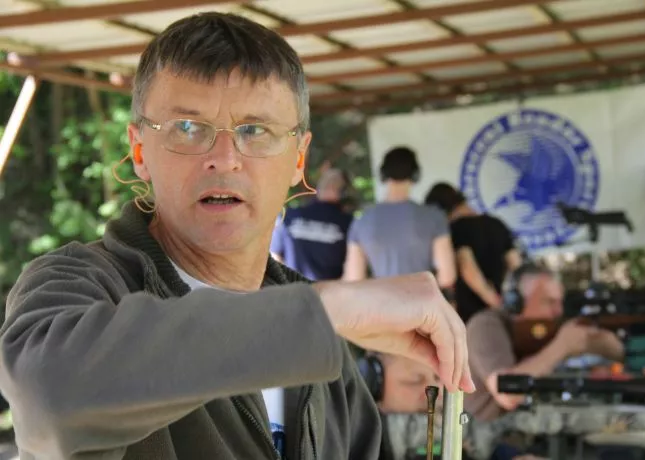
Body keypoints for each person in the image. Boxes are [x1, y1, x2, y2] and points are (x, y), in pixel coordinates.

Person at [0, 13, 474, 460]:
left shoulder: (324, 350)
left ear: (299, 160)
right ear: (140, 150)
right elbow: (50, 399)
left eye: (256, 130)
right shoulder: (78, 283)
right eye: (188, 128)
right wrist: (328, 311)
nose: (225, 158)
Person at [464, 264, 624, 422]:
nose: (558, 311)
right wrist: (563, 346)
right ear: (517, 303)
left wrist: (605, 343)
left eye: (560, 303)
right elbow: (508, 394)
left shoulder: (544, 331)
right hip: (477, 430)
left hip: (519, 425)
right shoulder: (486, 325)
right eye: (549, 302)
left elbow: (615, 354)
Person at [343, 147, 456, 289]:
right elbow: (447, 277)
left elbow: (354, 277)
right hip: (421, 299)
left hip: (382, 300)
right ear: (415, 174)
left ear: (383, 174)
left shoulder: (362, 221)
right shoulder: (434, 217)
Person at [425, 182, 522, 322]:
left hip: (473, 315)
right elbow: (515, 264)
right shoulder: (497, 224)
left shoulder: (455, 229)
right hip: (504, 313)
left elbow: (467, 265)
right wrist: (507, 303)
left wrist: (493, 300)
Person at [270, 168, 353, 280]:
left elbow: (275, 257)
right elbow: (274, 255)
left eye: (333, 181)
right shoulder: (289, 216)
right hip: (316, 290)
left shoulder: (289, 216)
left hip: (302, 289)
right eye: (326, 180)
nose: (328, 184)